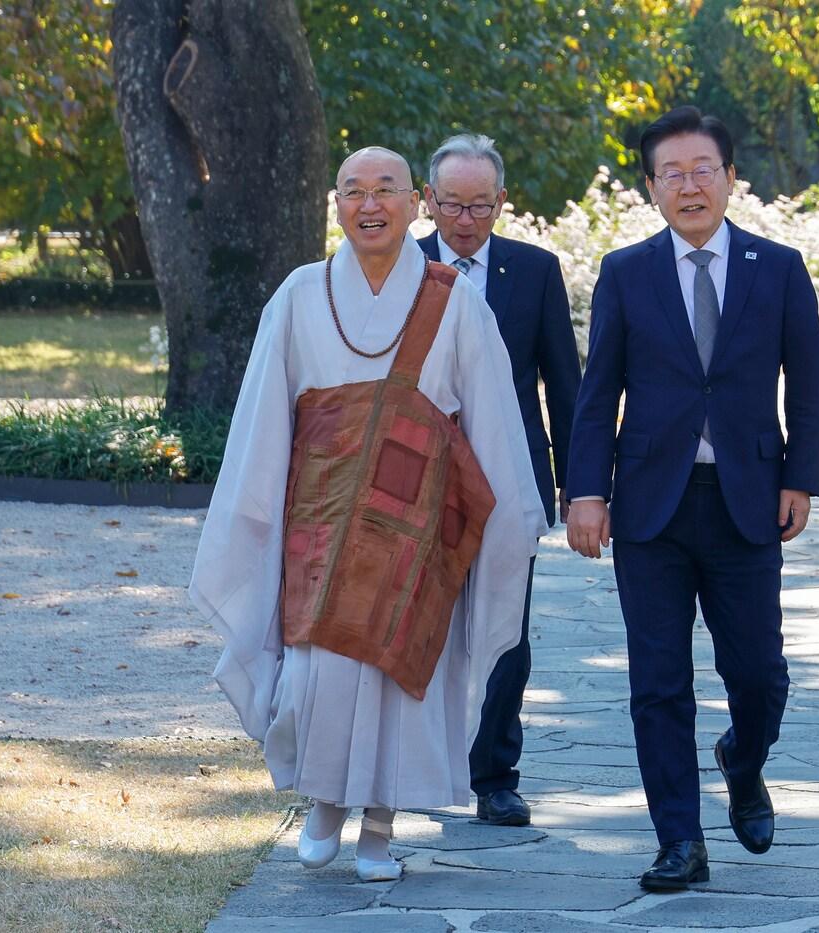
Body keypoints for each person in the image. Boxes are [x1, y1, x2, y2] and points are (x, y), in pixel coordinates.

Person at [189, 146, 546, 882]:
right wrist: (259, 509)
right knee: (319, 670)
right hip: (320, 523)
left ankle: (380, 826)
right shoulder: (298, 292)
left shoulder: (455, 300)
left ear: (415, 203)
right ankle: (323, 803)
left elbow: (491, 421)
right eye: (355, 191)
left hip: (416, 532)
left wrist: (504, 519)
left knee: (402, 673)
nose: (371, 204)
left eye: (386, 189)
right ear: (338, 205)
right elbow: (263, 416)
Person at [566, 107, 819, 890]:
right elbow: (596, 392)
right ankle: (679, 839)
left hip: (747, 499)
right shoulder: (625, 272)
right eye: (671, 173)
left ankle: (742, 764)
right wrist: (587, 491)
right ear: (651, 188)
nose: (689, 185)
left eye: (702, 169)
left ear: (729, 178)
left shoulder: (777, 267)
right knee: (657, 681)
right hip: (650, 505)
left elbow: (810, 383)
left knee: (759, 674)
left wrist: (800, 478)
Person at [417, 134, 581, 827]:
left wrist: (580, 485)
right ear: (428, 200)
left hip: (511, 479)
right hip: (416, 479)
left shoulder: (534, 270)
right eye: (452, 203)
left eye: (480, 205)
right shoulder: (398, 265)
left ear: (501, 203)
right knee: (411, 624)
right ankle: (411, 766)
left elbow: (564, 384)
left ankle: (495, 774)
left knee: (506, 625)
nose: (465, 219)